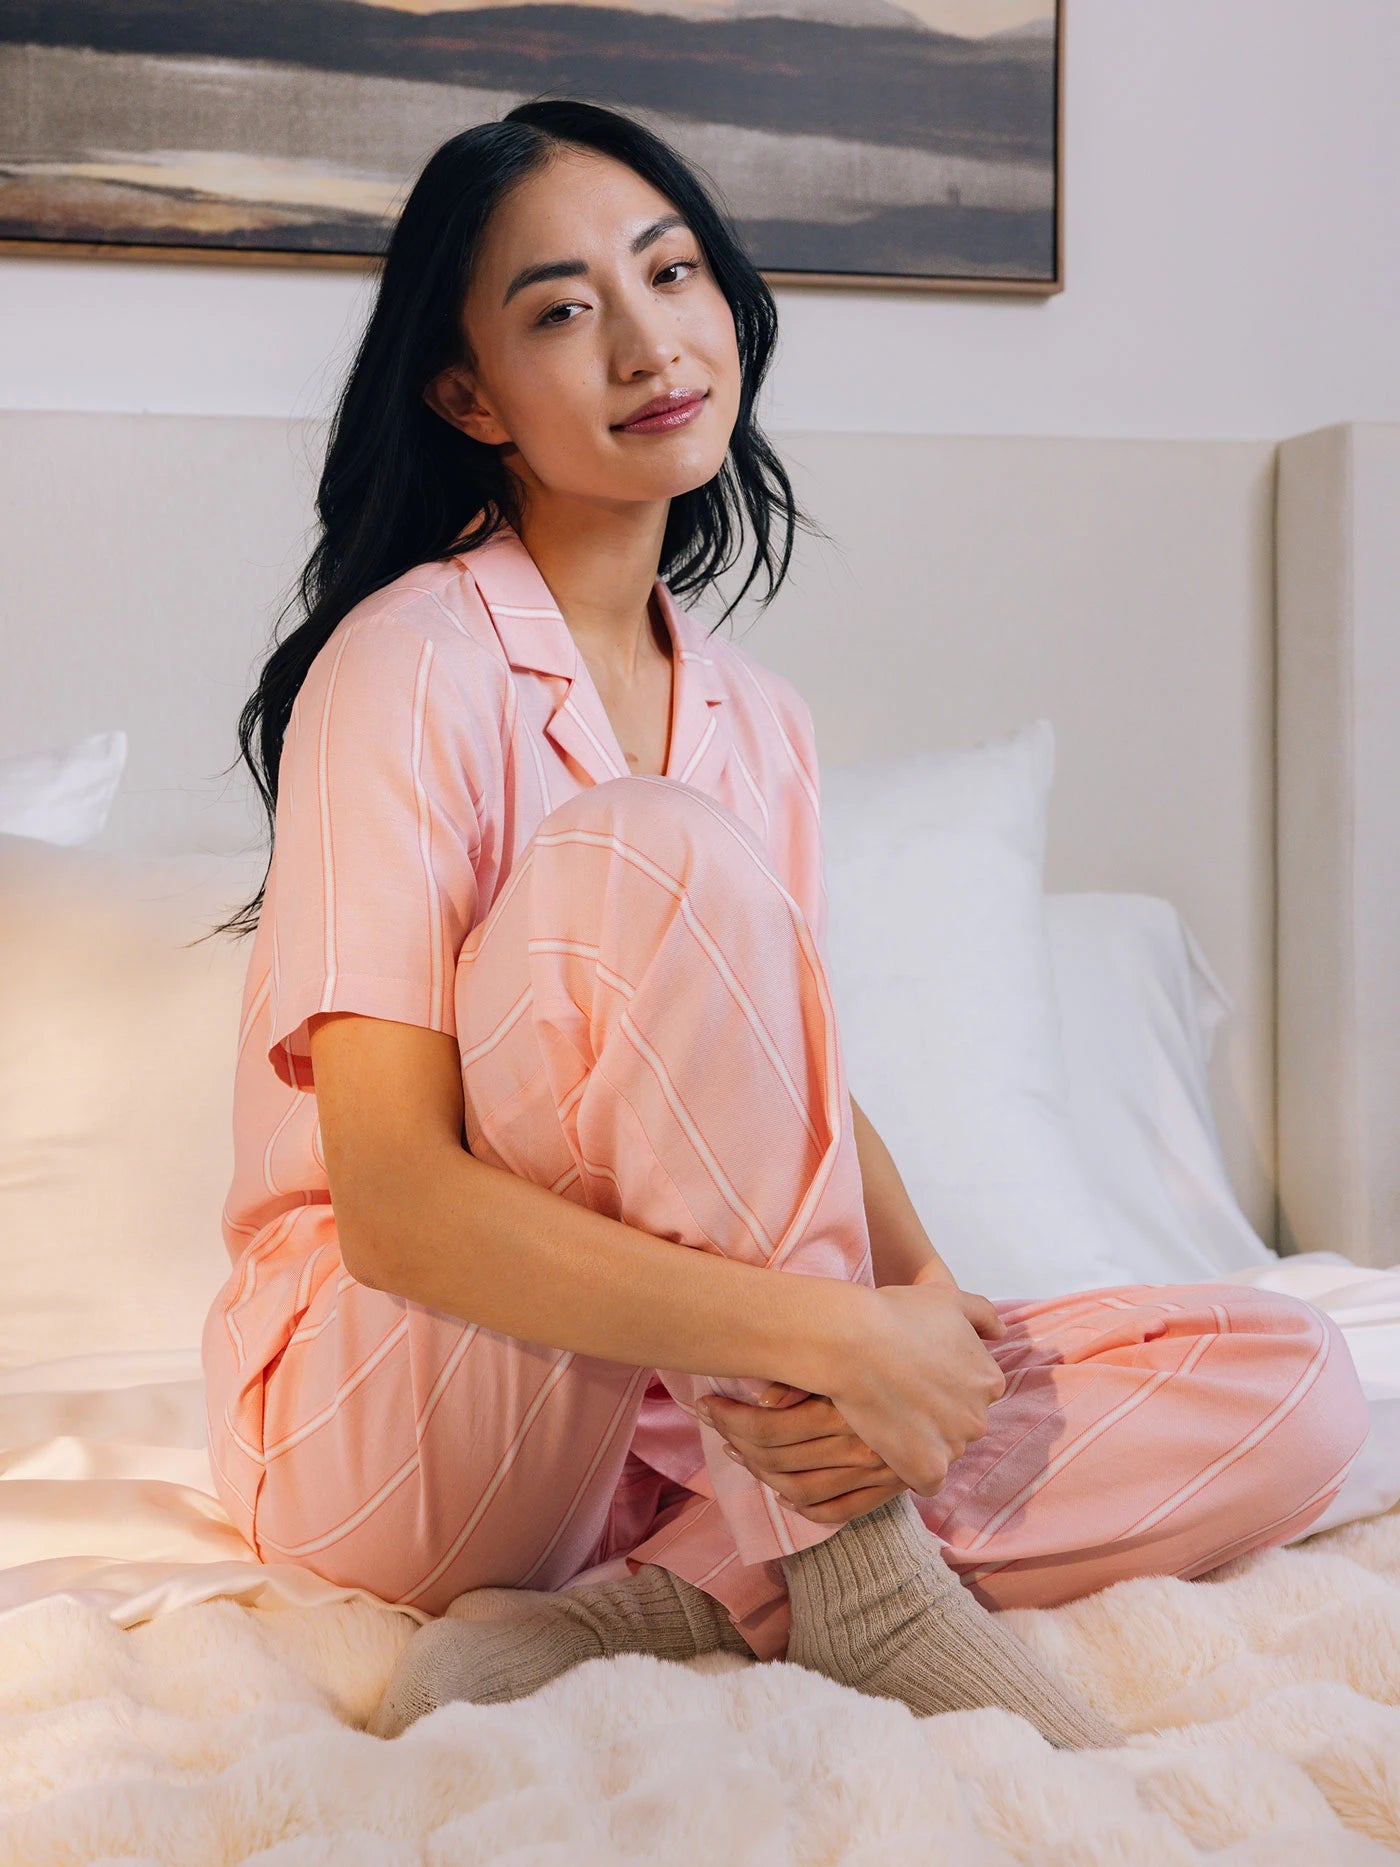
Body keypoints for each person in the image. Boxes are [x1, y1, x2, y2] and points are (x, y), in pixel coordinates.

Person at [202, 98, 1370, 1748]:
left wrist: (927, 1321)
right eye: (560, 309)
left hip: (683, 1441)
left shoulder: (758, 718)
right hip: (409, 1419)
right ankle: (860, 1574)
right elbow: (391, 1207)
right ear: (466, 395)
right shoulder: (404, 666)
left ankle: (673, 1598)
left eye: (670, 272)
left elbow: (782, 1084)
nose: (645, 340)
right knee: (650, 853)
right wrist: (834, 1339)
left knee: (1303, 1387)